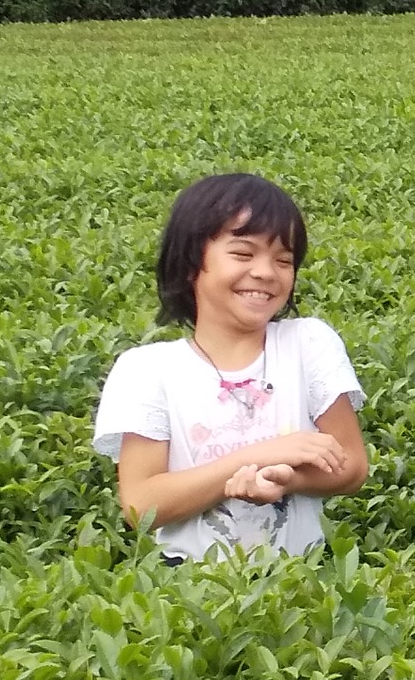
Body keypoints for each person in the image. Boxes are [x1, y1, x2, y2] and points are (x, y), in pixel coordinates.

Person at [92, 174, 369, 563]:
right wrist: (258, 457)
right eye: (242, 253)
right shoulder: (145, 370)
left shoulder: (308, 344)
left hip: (301, 584)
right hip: (185, 587)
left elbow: (352, 466)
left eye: (284, 260)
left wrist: (288, 478)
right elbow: (142, 506)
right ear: (192, 263)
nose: (265, 272)